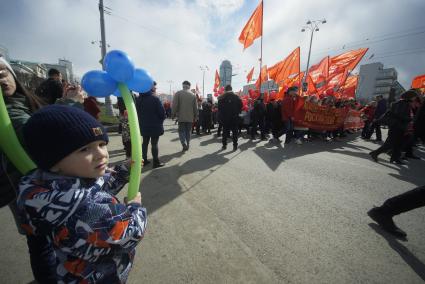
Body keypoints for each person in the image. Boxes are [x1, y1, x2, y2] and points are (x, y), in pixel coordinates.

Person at [18, 105, 147, 283]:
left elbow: (95, 188)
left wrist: (123, 171)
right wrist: (135, 208)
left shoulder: (51, 185)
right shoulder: (81, 209)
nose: (100, 154)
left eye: (102, 144)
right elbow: (128, 234)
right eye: (85, 149)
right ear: (53, 161)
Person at [0, 57, 57, 283]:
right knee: (42, 243)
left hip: (39, 185)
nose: (0, 78)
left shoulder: (23, 102)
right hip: (25, 189)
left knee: (42, 242)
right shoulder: (12, 114)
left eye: (3, 71)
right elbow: (44, 138)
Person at [369, 90, 417, 164]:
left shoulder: (404, 103)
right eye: (414, 97)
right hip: (397, 127)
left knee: (398, 144)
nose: (415, 98)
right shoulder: (402, 103)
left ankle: (395, 158)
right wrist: (410, 119)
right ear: (409, 96)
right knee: (390, 144)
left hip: (399, 127)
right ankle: (375, 153)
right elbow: (398, 115)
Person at [136, 82, 166, 168]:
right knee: (154, 144)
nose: (155, 89)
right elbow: (162, 114)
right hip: (155, 126)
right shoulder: (155, 99)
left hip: (143, 126)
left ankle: (144, 160)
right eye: (154, 88)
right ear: (150, 88)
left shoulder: (138, 99)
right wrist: (160, 122)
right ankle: (156, 162)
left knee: (144, 143)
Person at [172, 81, 198, 151]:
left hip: (181, 117)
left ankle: (183, 143)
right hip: (190, 117)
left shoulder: (178, 93)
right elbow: (195, 107)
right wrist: (196, 116)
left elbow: (174, 105)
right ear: (189, 86)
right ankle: (188, 143)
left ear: (183, 85)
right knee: (188, 131)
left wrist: (173, 114)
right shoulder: (193, 95)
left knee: (181, 131)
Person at [217, 85, 242, 151]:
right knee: (235, 132)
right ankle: (235, 146)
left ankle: (224, 145)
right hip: (234, 118)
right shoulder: (237, 97)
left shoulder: (221, 98)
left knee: (225, 132)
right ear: (231, 89)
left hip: (225, 118)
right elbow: (241, 106)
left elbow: (219, 109)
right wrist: (237, 112)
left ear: (225, 90)